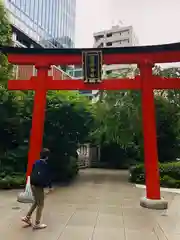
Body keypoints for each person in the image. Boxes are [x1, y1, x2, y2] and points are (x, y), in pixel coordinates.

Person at [21, 148, 52, 229]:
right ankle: (37, 223)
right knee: (41, 204)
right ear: (47, 156)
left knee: (36, 202)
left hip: (32, 185)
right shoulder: (45, 165)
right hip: (38, 186)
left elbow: (32, 173)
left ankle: (27, 217)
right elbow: (47, 177)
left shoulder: (36, 162)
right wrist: (50, 187)